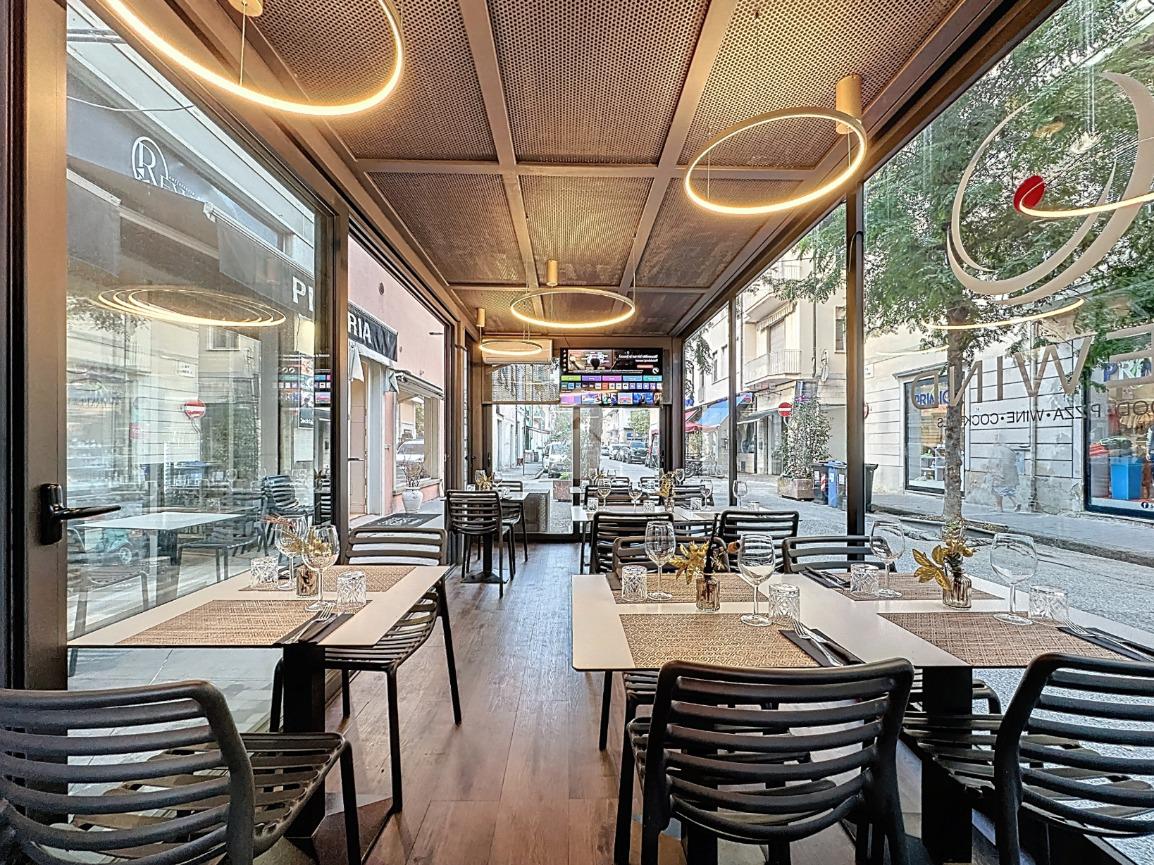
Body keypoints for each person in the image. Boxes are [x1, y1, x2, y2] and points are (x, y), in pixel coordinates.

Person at [990, 437, 1021, 513]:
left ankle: (999, 507)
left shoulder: (998, 450)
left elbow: (996, 461)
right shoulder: (1010, 450)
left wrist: (992, 470)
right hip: (1012, 474)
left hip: (1001, 472)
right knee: (1008, 490)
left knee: (997, 490)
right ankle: (1016, 502)